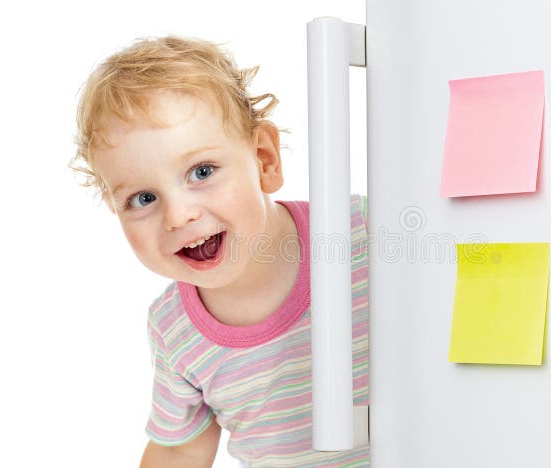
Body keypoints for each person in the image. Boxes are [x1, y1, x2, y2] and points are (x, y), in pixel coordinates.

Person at [70, 35, 370, 467]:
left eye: (201, 171)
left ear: (264, 160)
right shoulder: (173, 328)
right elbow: (182, 448)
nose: (178, 215)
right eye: (143, 198)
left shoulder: (359, 231)